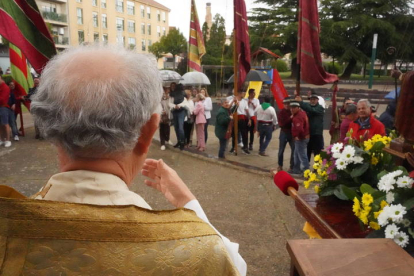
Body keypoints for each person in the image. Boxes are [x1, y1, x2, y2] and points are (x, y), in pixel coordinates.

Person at [19, 45, 246, 275]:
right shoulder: (188, 250)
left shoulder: (11, 226)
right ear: (148, 132)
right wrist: (188, 203)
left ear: (49, 123)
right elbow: (232, 265)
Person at [296, 93, 324, 161]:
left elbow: (311, 109)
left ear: (317, 100)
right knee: (307, 150)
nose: (312, 101)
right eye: (311, 99)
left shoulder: (320, 108)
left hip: (317, 133)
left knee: (317, 152)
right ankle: (306, 167)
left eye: (314, 99)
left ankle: (317, 168)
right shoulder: (308, 107)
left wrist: (301, 102)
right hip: (309, 133)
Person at [290, 101, 310, 176]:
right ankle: (296, 169)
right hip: (304, 137)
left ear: (298, 108)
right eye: (291, 108)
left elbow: (300, 129)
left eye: (294, 108)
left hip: (301, 138)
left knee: (302, 155)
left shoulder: (298, 117)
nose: (292, 109)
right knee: (297, 154)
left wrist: (297, 136)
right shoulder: (302, 113)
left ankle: (306, 171)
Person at [277, 97, 295, 172]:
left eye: (288, 104)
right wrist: (290, 118)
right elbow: (281, 124)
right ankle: (280, 165)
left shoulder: (293, 112)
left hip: (292, 133)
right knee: (281, 150)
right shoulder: (281, 113)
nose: (287, 105)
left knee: (294, 150)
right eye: (285, 104)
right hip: (284, 132)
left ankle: (292, 166)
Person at [169, 82, 187, 150]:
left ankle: (182, 142)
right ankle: (179, 141)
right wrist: (175, 106)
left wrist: (179, 106)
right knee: (176, 127)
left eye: (174, 86)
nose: (173, 87)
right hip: (174, 111)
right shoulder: (171, 94)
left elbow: (185, 102)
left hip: (181, 111)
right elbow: (169, 103)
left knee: (180, 127)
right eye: (172, 86)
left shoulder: (182, 93)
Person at [159, 86, 173, 150]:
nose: (167, 90)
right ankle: (162, 143)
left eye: (168, 89)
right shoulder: (160, 96)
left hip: (168, 114)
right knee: (162, 128)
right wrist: (161, 111)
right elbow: (158, 105)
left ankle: (167, 139)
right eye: (166, 89)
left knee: (167, 128)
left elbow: (171, 105)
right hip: (162, 114)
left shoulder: (171, 97)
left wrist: (168, 99)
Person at [0, 76, 11, 147]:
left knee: (5, 124)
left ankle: (7, 140)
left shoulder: (5, 87)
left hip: (3, 107)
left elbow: (2, 99)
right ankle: (1, 139)